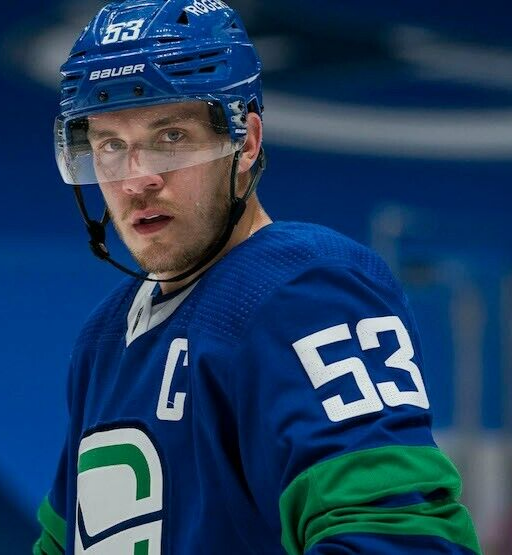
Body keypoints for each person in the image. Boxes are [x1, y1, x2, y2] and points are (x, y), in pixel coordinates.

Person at [34, 1, 482, 554]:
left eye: (170, 137)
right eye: (110, 146)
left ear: (245, 142)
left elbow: (397, 539)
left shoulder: (307, 291)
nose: (137, 179)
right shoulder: (104, 339)